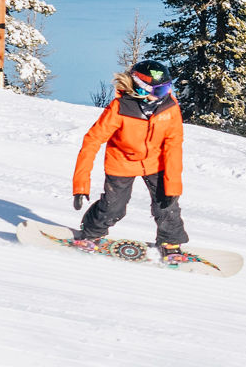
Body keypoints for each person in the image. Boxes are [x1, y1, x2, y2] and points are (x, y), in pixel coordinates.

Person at [72, 60, 190, 265]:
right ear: (141, 89)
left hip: (155, 162)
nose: (166, 94)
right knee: (114, 208)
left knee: (167, 205)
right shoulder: (119, 108)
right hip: (122, 161)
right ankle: (90, 233)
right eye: (160, 90)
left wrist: (173, 186)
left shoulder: (170, 108)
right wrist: (81, 185)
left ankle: (170, 242)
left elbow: (174, 145)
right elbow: (92, 141)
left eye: (168, 88)